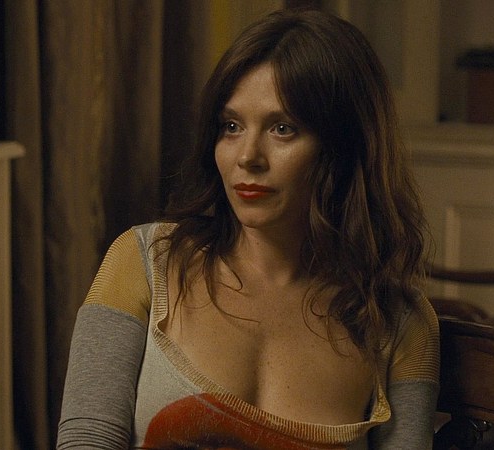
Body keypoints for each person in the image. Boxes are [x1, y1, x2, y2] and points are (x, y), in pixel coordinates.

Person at [57, 8, 439, 449]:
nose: (247, 157)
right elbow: (86, 439)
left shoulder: (398, 321)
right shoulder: (144, 262)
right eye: (232, 127)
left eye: (283, 128)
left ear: (345, 146)